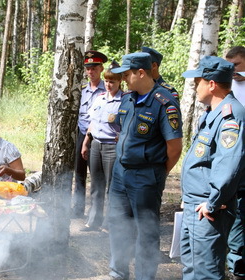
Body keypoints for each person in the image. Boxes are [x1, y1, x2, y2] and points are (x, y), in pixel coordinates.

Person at [107, 52, 183, 279]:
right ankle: (118, 273)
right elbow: (121, 133)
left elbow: (175, 147)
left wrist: (158, 172)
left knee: (146, 231)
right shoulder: (127, 98)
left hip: (146, 176)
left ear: (141, 73)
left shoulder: (164, 102)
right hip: (121, 174)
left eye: (127, 75)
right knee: (118, 225)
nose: (124, 80)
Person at [180, 56, 245, 280]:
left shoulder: (231, 115)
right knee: (191, 267)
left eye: (197, 81)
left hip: (208, 209)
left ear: (211, 84)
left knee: (206, 272)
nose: (194, 87)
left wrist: (212, 202)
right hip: (194, 204)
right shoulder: (211, 113)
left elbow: (230, 164)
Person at [80, 61, 123, 231]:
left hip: (111, 147)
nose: (108, 84)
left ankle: (109, 223)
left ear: (120, 82)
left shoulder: (124, 100)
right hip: (96, 145)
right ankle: (93, 220)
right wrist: (86, 142)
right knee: (96, 186)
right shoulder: (99, 99)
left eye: (112, 81)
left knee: (111, 186)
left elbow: (125, 125)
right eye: (106, 81)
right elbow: (93, 122)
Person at [72, 50, 108, 218]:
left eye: (94, 68)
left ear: (101, 68)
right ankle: (78, 210)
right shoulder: (82, 90)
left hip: (97, 137)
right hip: (81, 134)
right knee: (79, 173)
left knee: (96, 177)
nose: (90, 72)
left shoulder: (107, 88)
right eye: (88, 68)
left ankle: (95, 214)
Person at [225, 46, 245, 280]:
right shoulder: (227, 86)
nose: (233, 70)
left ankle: (237, 266)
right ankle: (233, 262)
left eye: (237, 65)